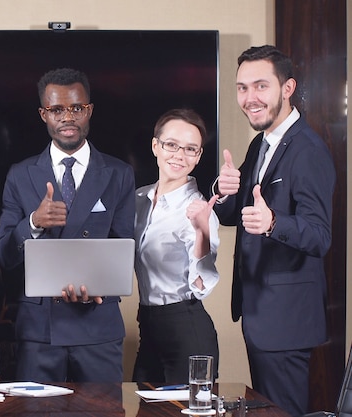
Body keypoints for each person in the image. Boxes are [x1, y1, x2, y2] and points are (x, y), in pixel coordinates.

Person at [213, 45, 335, 417]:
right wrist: (226, 193)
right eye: (242, 88)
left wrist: (275, 223)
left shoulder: (308, 150)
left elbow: (319, 236)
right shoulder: (260, 143)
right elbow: (240, 215)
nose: (249, 98)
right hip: (260, 314)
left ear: (287, 88)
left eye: (260, 86)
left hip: (286, 320)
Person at [0, 68, 135, 383]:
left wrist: (97, 288)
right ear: (44, 114)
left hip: (98, 326)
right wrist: (33, 223)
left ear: (89, 110)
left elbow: (124, 247)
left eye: (76, 108)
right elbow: (4, 256)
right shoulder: (20, 174)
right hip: (39, 330)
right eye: (57, 110)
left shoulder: (119, 173)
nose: (67, 117)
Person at [133, 108, 220, 384]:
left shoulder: (198, 210)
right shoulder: (138, 199)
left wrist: (202, 233)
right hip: (147, 327)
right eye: (171, 145)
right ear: (155, 146)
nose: (179, 155)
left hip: (186, 329)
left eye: (191, 149)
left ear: (198, 156)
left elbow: (201, 283)